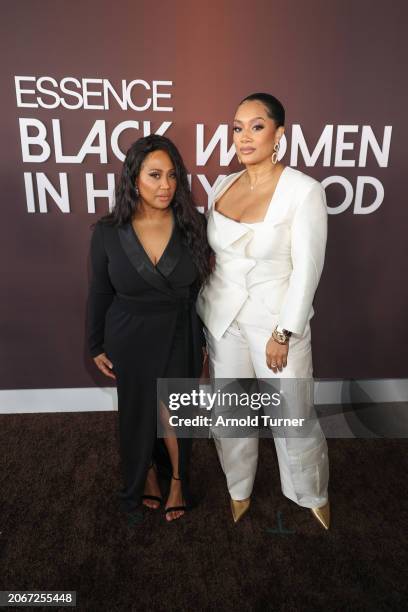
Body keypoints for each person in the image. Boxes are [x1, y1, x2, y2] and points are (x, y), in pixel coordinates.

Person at [197, 93, 330, 528]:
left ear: (279, 134)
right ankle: (239, 486)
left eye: (256, 126)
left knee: (293, 415)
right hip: (223, 319)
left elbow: (307, 270)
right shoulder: (221, 185)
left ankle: (308, 491)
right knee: (229, 410)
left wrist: (285, 331)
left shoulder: (303, 191)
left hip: (275, 323)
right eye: (237, 127)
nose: (244, 136)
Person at [87, 134, 210, 522]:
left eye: (173, 176)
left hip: (180, 330)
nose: (166, 186)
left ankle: (176, 479)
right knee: (139, 412)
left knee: (175, 413)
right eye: (155, 175)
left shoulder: (195, 223)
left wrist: (204, 337)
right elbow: (99, 290)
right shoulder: (108, 231)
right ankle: (145, 475)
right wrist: (95, 343)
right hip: (130, 334)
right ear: (133, 178)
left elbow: (206, 288)